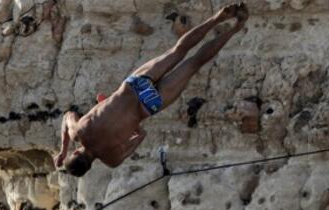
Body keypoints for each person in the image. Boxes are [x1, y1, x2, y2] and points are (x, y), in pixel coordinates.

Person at [54, 4, 249, 176]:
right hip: (133, 87)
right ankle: (217, 18)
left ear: (89, 166)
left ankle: (235, 28)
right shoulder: (79, 131)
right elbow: (67, 116)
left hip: (149, 104)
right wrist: (62, 151)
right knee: (177, 51)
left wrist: (131, 125)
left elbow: (141, 136)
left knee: (194, 63)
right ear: (76, 152)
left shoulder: (112, 159)